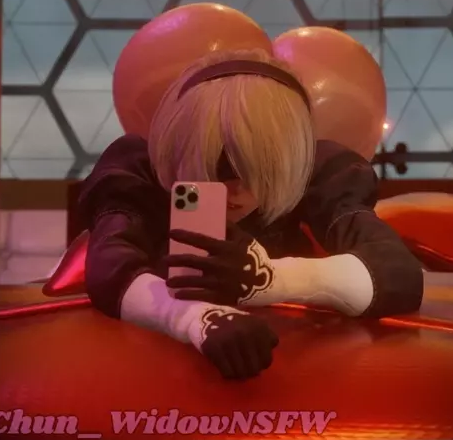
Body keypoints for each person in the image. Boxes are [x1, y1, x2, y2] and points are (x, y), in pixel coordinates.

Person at [80, 49, 424, 380]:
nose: (236, 190)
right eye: (218, 165)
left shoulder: (320, 176)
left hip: (291, 373)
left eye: (257, 169)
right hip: (155, 373)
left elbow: (397, 274)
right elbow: (111, 267)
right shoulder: (139, 175)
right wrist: (199, 318)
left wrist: (266, 279)